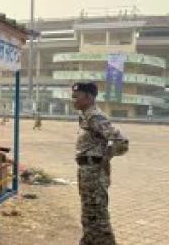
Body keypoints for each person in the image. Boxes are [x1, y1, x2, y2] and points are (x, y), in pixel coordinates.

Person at [72, 82, 129, 245]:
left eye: (76, 97)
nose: (73, 100)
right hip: (86, 170)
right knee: (89, 214)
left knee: (98, 215)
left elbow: (121, 142)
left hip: (94, 171)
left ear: (88, 97)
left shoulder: (95, 116)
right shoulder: (85, 115)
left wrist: (104, 160)